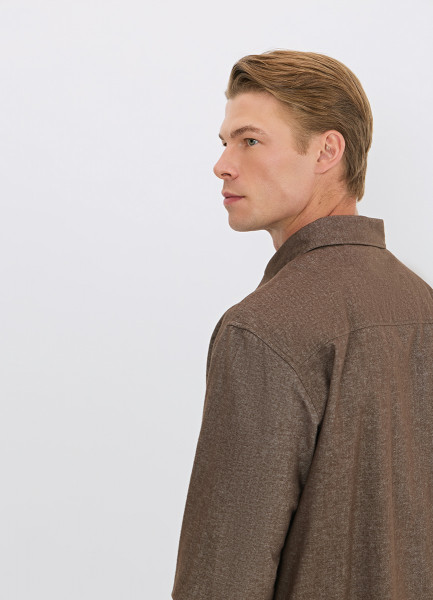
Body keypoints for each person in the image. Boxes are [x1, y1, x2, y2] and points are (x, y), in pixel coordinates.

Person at [171, 50, 433, 600]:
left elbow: (222, 578)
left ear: (327, 151)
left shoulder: (262, 329)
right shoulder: (421, 304)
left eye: (250, 140)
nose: (223, 164)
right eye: (225, 143)